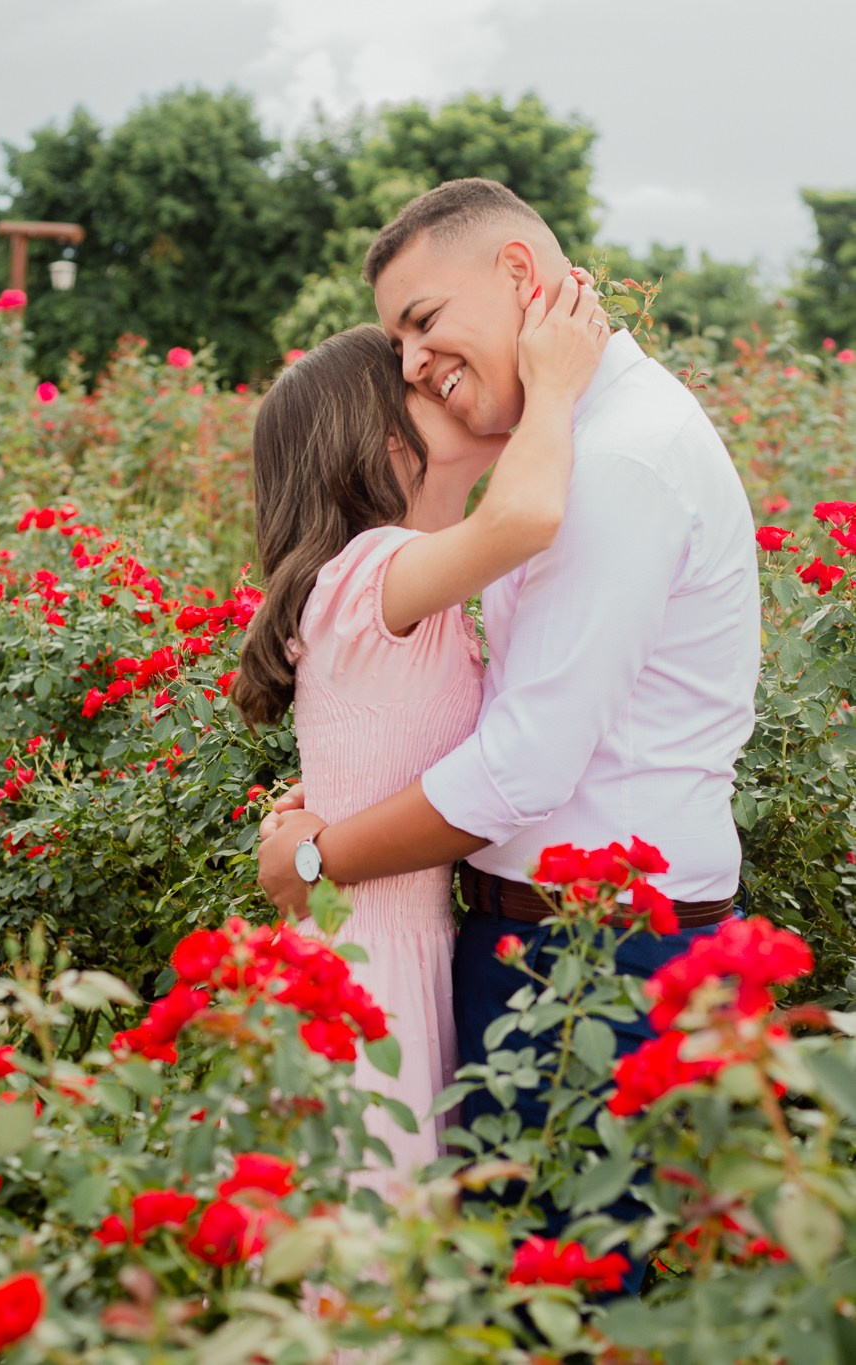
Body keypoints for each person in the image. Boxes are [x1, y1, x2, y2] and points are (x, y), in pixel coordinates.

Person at [256, 178, 762, 1284]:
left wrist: (314, 848)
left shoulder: (609, 460)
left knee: (551, 1308)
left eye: (422, 323)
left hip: (582, 960)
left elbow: (524, 762)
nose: (408, 365)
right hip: (504, 948)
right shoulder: (548, 466)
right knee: (458, 1286)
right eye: (396, 349)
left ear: (521, 279)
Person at [232, 289, 608, 1198]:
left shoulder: (395, 588)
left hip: (394, 942)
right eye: (430, 395)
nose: (454, 389)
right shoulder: (370, 572)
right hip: (372, 961)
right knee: (379, 1265)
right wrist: (554, 388)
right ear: (385, 445)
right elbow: (522, 519)